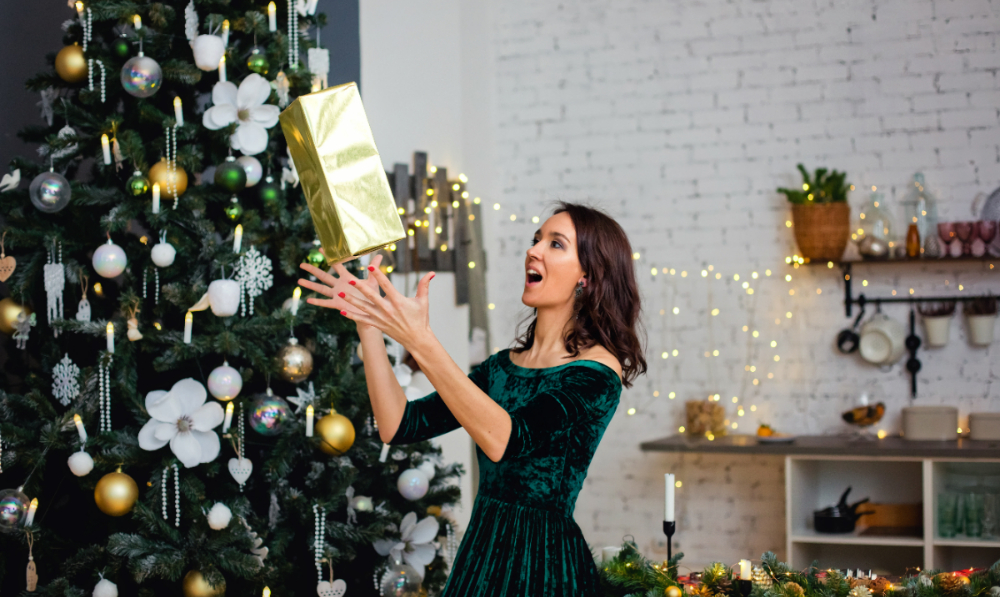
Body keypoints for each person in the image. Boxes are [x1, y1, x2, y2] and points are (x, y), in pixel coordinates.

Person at [298, 201, 646, 595]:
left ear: (588, 276)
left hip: (544, 565)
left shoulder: (597, 374)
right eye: (536, 239)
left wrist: (420, 340)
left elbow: (506, 440)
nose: (533, 250)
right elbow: (398, 425)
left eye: (555, 244)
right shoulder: (500, 368)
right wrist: (369, 324)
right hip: (482, 553)